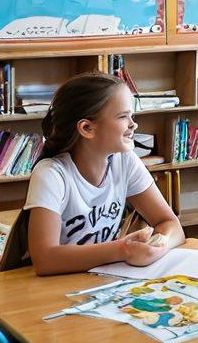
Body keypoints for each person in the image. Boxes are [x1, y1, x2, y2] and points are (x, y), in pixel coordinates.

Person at [25, 72, 184, 276]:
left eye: (132, 116)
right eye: (122, 117)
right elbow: (45, 259)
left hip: (103, 280)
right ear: (87, 128)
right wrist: (122, 249)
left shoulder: (125, 161)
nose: (133, 125)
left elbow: (171, 224)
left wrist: (159, 245)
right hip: (58, 287)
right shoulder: (51, 174)